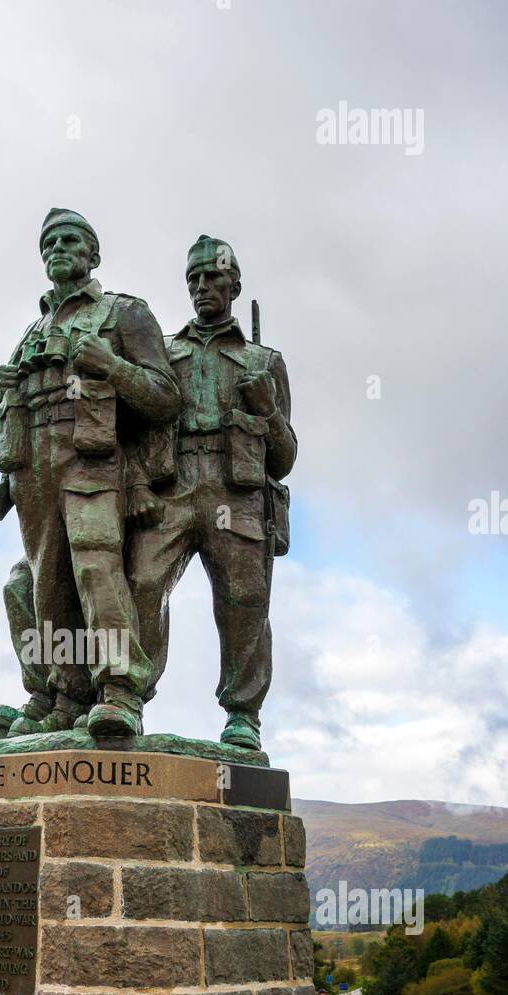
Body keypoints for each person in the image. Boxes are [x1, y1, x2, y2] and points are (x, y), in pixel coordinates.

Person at [0, 208, 180, 739]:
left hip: (92, 458)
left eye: (71, 240)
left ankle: (119, 689)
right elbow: (9, 405)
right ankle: (65, 694)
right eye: (49, 243)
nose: (58, 249)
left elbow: (165, 400)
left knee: (96, 567)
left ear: (93, 255)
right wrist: (0, 391)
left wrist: (111, 366)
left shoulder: (124, 313)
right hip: (34, 467)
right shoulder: (32, 331)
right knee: (45, 584)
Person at [127, 234, 297, 751]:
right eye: (194, 278)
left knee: (244, 600)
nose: (202, 286)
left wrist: (267, 411)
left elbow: (285, 459)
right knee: (141, 584)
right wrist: (137, 483)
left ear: (234, 284)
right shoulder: (165, 352)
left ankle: (242, 713)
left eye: (213, 276)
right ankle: (128, 697)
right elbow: (133, 429)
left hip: (237, 490)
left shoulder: (265, 360)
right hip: (172, 485)